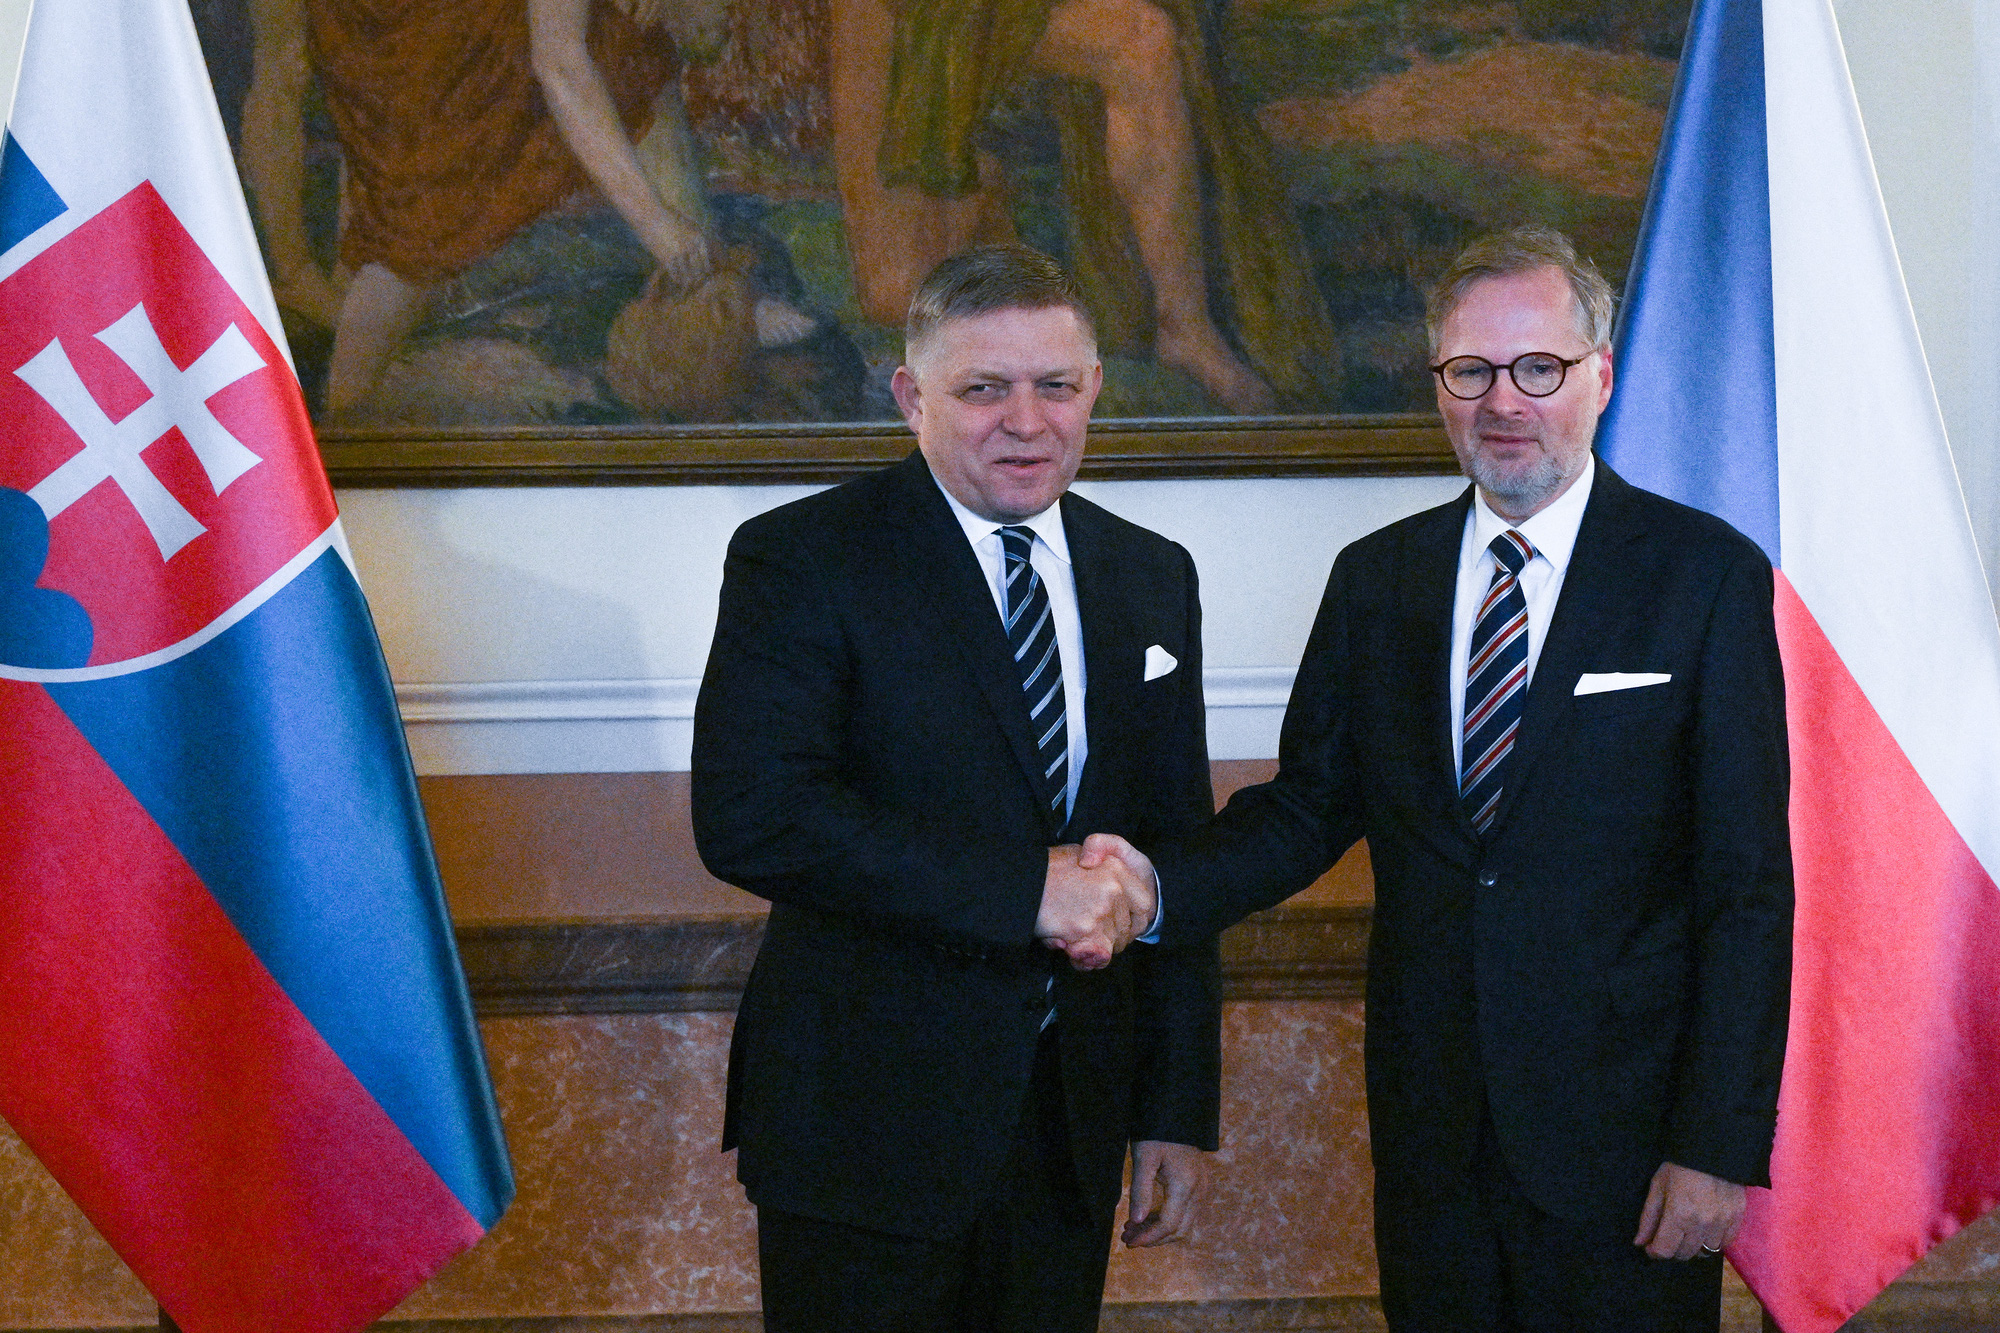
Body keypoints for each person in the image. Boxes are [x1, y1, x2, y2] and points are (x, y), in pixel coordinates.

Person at [1085, 225, 1793, 1331]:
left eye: (1537, 368)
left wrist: (1713, 1144)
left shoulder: (1701, 577)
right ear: (1438, 385)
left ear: (1598, 377)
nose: (1501, 400)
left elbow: (1746, 887)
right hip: (1432, 1139)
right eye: (1469, 371)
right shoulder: (1379, 581)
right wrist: (1151, 883)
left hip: (1628, 1150)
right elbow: (1307, 807)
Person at [690, 244, 1220, 1331]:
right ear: (910, 397)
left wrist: (1173, 1108)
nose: (1024, 421)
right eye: (983, 389)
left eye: (1054, 386)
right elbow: (753, 815)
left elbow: (1172, 850)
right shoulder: (801, 558)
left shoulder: (1150, 572)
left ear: (1093, 392)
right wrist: (1020, 889)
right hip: (859, 1132)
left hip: (1067, 1129)